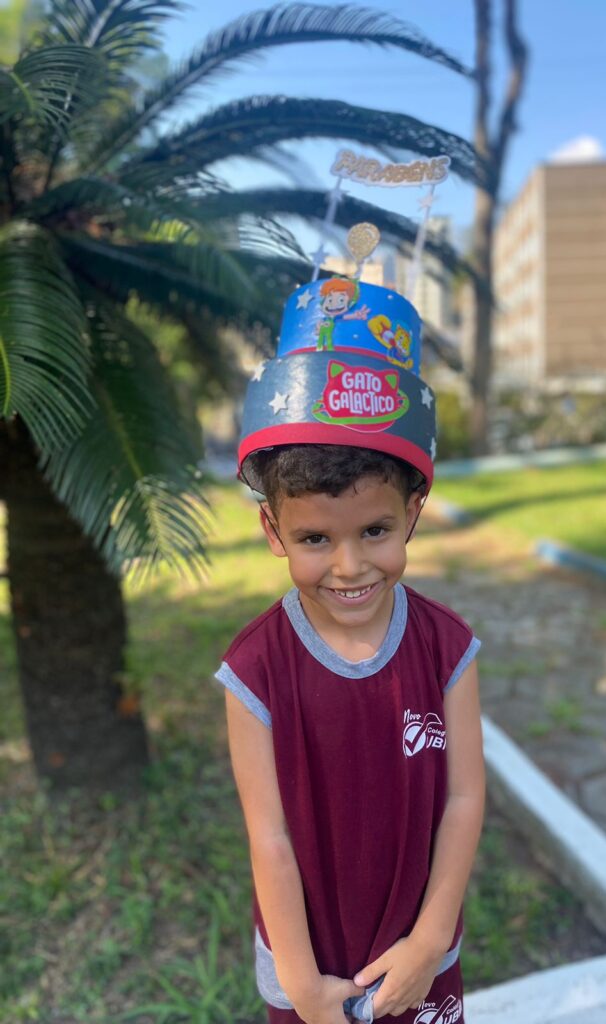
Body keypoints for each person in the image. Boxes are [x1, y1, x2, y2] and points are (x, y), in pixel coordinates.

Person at [215, 264, 484, 1024]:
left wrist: (430, 940)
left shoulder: (448, 648)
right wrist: (303, 986)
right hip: (311, 968)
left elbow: (464, 798)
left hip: (422, 956)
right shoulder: (254, 670)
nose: (349, 565)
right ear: (273, 530)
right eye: (314, 538)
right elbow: (268, 836)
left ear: (413, 513)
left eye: (375, 530)